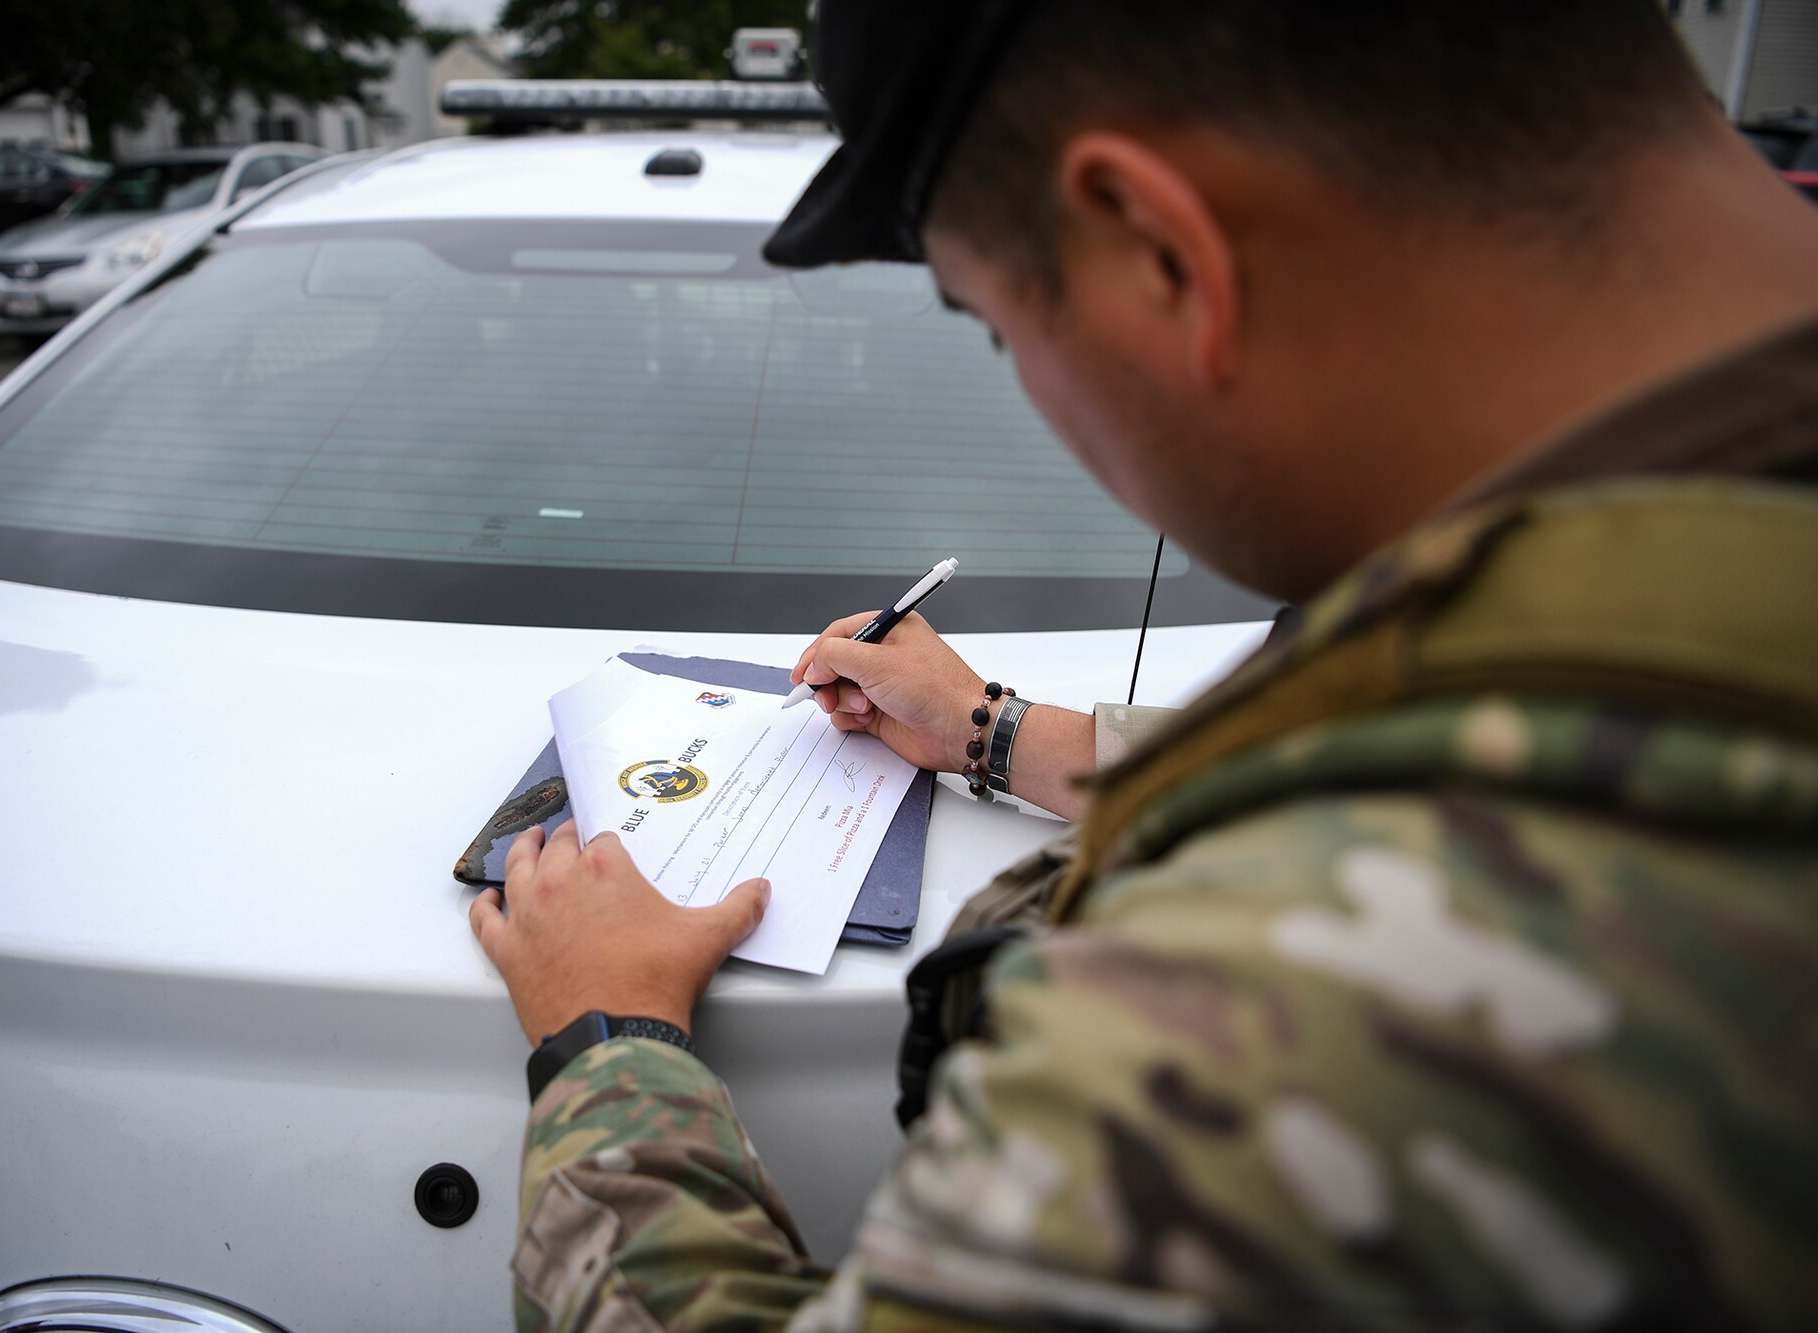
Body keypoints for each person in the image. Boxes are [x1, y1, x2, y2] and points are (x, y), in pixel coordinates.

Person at [470, 1, 1818, 1328]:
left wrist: (608, 1043)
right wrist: (1004, 730)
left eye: (999, 327)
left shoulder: (1292, 1008)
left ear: (1162, 253)